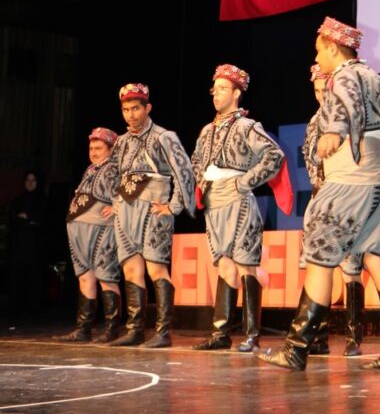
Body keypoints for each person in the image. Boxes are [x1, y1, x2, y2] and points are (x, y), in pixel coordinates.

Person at [258, 16, 380, 373]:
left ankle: (296, 348)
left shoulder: (344, 75)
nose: (317, 58)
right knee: (379, 259)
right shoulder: (376, 79)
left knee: (320, 260)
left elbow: (345, 100)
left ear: (334, 48)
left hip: (350, 184)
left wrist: (335, 130)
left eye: (319, 51)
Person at [191, 64, 285, 353]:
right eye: (214, 89)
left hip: (238, 198)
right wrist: (202, 180)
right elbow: (196, 160)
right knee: (224, 264)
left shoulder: (247, 126)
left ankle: (251, 335)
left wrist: (244, 182)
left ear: (236, 93)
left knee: (246, 263)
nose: (216, 94)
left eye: (222, 89)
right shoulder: (207, 130)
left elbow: (274, 155)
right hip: (214, 200)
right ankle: (220, 333)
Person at [110, 83, 195, 348]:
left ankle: (163, 332)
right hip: (126, 209)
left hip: (153, 208)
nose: (131, 114)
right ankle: (135, 330)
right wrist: (116, 201)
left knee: (155, 267)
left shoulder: (163, 136)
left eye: (136, 108)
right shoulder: (121, 142)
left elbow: (184, 171)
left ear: (148, 108)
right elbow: (114, 174)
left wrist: (174, 206)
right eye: (126, 109)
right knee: (130, 268)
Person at [302, 63, 366, 358]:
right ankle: (319, 336)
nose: (321, 97)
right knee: (319, 267)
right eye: (316, 91)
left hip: (349, 198)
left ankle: (354, 338)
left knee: (351, 269)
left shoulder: (351, 116)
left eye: (324, 90)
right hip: (321, 200)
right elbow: (310, 161)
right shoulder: (314, 122)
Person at [57, 128, 123, 343]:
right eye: (91, 148)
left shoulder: (113, 168)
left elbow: (126, 191)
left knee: (106, 276)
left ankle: (112, 328)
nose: (93, 152)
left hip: (100, 228)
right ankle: (83, 329)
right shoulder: (90, 169)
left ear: (110, 149)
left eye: (98, 148)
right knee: (86, 277)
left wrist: (117, 206)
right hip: (80, 230)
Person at [6, 171, 48, 319]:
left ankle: (35, 310)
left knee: (35, 278)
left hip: (36, 248)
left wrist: (27, 218)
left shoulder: (43, 201)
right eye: (27, 180)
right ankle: (15, 310)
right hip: (18, 247)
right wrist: (29, 221)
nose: (30, 183)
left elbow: (42, 221)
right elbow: (12, 220)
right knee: (16, 278)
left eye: (33, 180)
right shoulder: (17, 201)